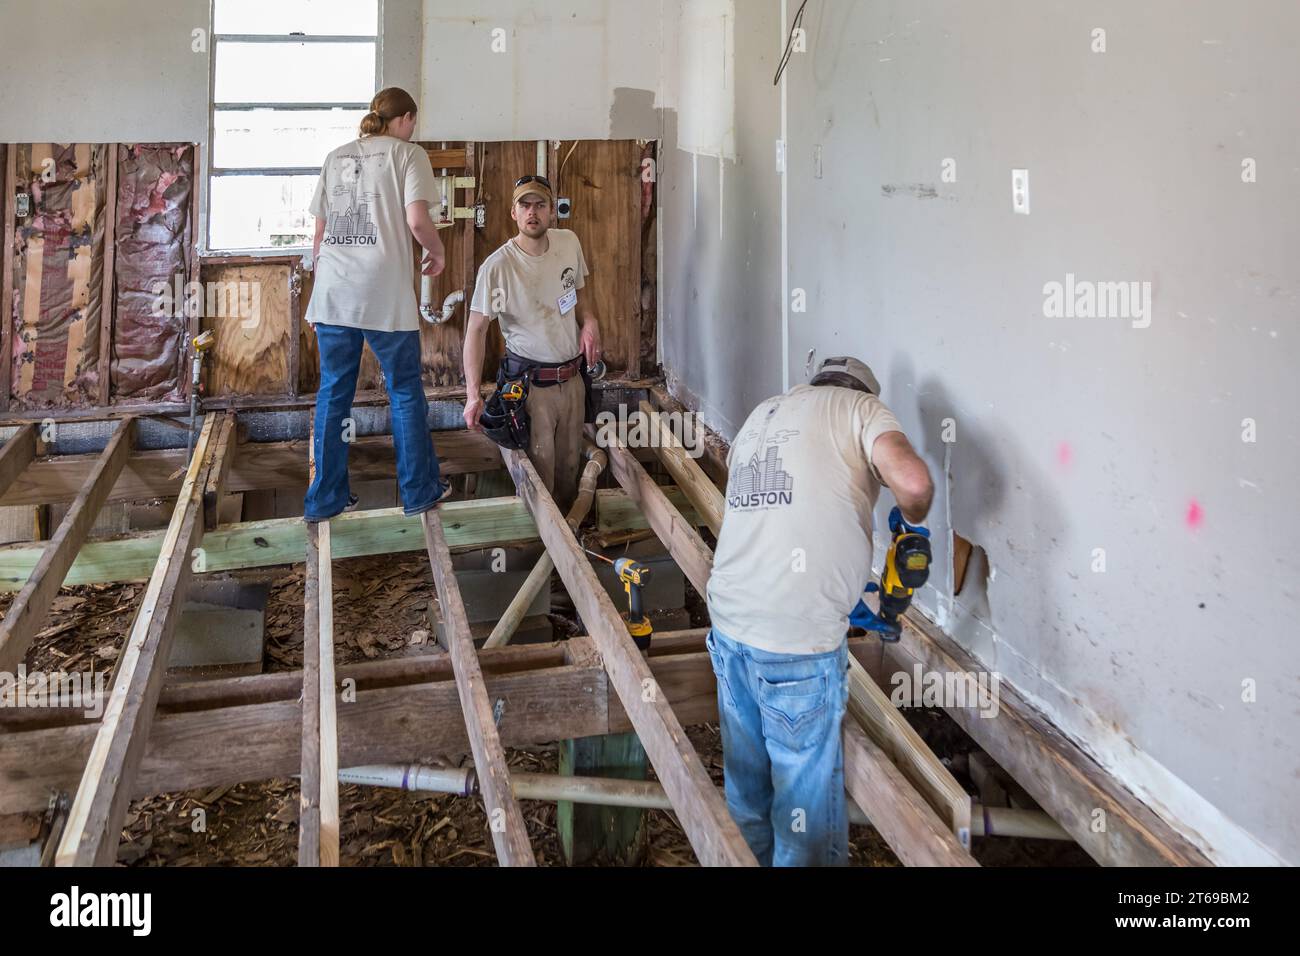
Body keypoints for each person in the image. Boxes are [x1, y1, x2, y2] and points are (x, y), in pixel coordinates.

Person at [704, 356, 936, 866]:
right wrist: (910, 521)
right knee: (802, 823)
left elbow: (779, 519)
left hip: (729, 625)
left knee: (748, 797)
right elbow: (915, 485)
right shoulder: (862, 410)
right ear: (863, 392)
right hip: (795, 649)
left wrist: (843, 591)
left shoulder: (765, 413)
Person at [303, 87, 450, 522]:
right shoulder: (407, 154)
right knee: (404, 390)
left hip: (333, 292)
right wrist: (437, 252)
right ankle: (418, 491)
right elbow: (417, 220)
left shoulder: (336, 157)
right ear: (404, 119)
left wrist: (320, 296)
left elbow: (319, 237)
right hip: (382, 292)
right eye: (414, 122)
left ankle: (326, 499)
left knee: (334, 392)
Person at [461, 175, 601, 512]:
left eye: (540, 205)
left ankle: (570, 544)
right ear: (513, 213)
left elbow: (580, 293)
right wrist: (472, 394)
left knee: (570, 473)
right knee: (542, 480)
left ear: (552, 212)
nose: (532, 212)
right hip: (532, 388)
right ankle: (548, 553)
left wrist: (591, 321)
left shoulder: (568, 242)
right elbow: (476, 330)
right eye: (525, 205)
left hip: (573, 381)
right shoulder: (498, 267)